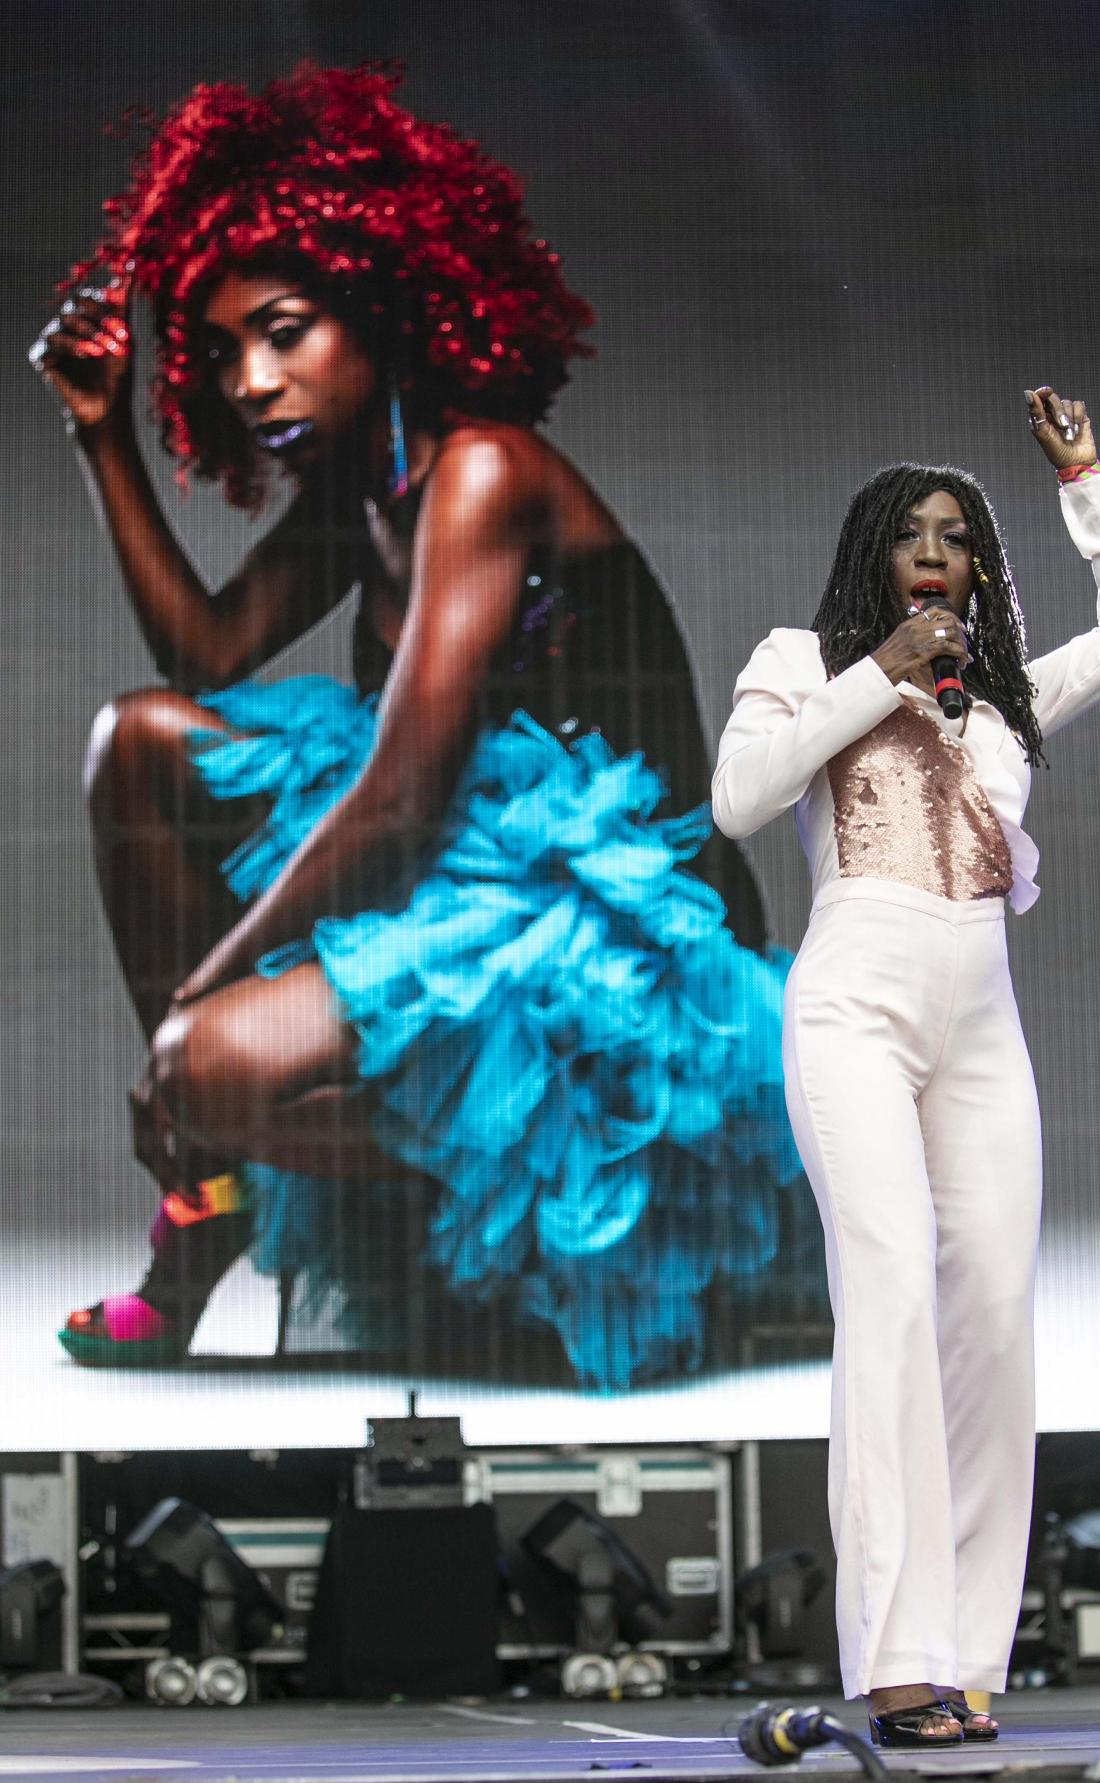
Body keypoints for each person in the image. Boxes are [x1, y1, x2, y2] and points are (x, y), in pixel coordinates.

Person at [30, 62, 824, 1389]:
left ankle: (561, 1161)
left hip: (614, 933)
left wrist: (194, 999)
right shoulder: (369, 488)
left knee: (210, 1056)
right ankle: (206, 1201)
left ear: (385, 306)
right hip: (467, 877)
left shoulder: (484, 472)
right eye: (221, 351)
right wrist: (105, 439)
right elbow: (206, 653)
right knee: (139, 743)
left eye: (284, 331)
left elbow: (397, 801)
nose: (249, 379)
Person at [711, 387, 1100, 1744]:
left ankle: (969, 1655)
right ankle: (895, 1653)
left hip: (981, 1018)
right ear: (874, 554)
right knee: (894, 1297)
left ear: (980, 565)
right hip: (853, 1000)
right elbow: (740, 801)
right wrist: (882, 672)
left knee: (997, 1325)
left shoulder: (1011, 699)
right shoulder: (803, 657)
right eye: (909, 531)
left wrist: (1084, 483)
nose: (934, 548)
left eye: (957, 534)